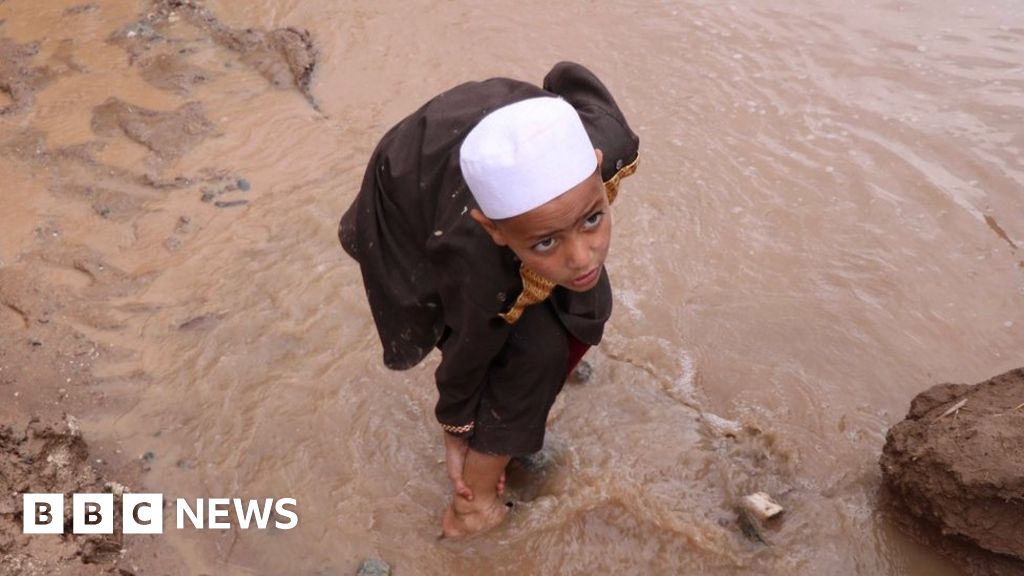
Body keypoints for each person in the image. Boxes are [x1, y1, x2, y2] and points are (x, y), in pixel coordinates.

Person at [339, 61, 639, 537]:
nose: (583, 256)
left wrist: (548, 247)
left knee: (587, 301)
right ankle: (471, 508)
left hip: (482, 125)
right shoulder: (477, 265)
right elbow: (465, 354)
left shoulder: (608, 145)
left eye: (593, 220)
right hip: (409, 188)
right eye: (546, 242)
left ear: (598, 166)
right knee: (532, 353)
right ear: (493, 229)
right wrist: (457, 428)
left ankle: (512, 430)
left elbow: (569, 77)